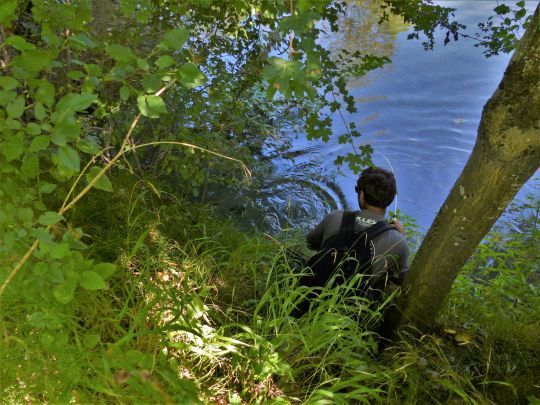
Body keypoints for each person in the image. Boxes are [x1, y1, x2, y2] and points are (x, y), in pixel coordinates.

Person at [305, 166, 409, 298]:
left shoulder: (335, 217)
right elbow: (402, 279)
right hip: (348, 311)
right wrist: (400, 235)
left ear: (362, 194)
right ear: (390, 200)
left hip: (309, 293)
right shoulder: (398, 242)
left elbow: (310, 243)